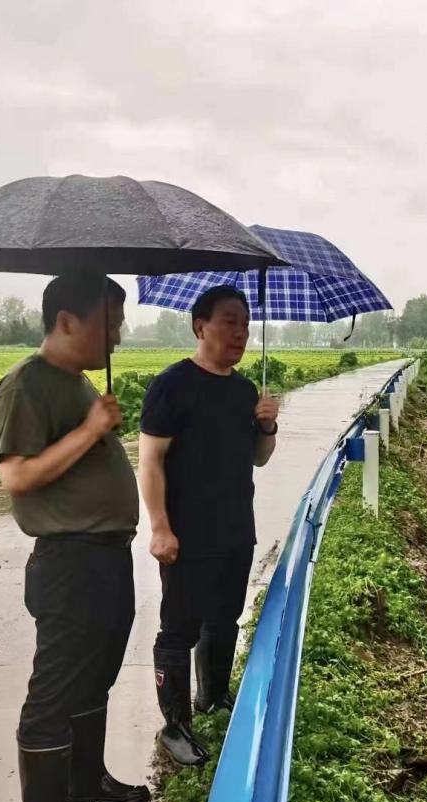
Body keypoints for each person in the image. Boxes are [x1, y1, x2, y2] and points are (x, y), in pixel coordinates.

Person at [0, 272, 149, 802]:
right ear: (66, 321)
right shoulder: (26, 384)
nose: (118, 335)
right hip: (69, 562)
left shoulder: (79, 381)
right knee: (55, 689)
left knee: (96, 674)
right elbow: (17, 476)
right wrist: (90, 430)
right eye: (111, 323)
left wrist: (95, 428)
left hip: (106, 555)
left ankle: (87, 783)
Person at [138, 285, 279, 766]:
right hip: (187, 534)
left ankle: (213, 697)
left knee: (223, 619)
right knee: (179, 629)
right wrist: (160, 526)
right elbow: (150, 461)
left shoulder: (245, 391)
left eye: (246, 324)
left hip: (236, 529)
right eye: (229, 322)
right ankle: (175, 727)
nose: (240, 333)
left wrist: (267, 426)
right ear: (200, 326)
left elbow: (258, 458)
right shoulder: (172, 385)